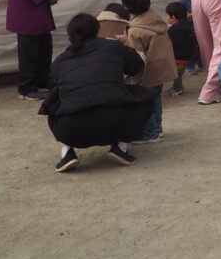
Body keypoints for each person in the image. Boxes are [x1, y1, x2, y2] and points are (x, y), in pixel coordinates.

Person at [39, 13, 157, 172]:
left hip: (71, 131)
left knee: (52, 103)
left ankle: (66, 152)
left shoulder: (59, 61)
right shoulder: (113, 47)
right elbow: (135, 66)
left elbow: (52, 87)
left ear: (70, 36)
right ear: (97, 31)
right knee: (145, 98)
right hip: (114, 125)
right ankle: (120, 148)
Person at [121, 0, 176, 144]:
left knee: (144, 102)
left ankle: (149, 132)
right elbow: (147, 38)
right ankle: (157, 128)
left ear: (126, 6)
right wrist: (123, 38)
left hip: (147, 72)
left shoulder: (135, 30)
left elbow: (135, 56)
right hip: (161, 69)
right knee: (155, 98)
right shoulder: (154, 19)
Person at [165, 2, 196, 96]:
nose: (166, 17)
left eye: (167, 15)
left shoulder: (174, 30)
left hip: (178, 58)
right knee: (178, 74)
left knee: (177, 75)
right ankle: (177, 87)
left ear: (173, 17)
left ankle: (177, 89)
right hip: (187, 55)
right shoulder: (187, 25)